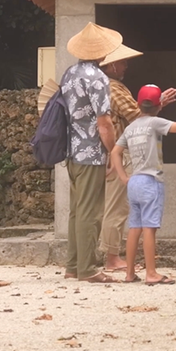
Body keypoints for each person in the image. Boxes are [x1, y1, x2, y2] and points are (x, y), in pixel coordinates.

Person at [98, 43, 176, 271]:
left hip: (118, 154)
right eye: (122, 62)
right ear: (112, 66)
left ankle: (119, 259)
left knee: (126, 212)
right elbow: (137, 116)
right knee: (117, 208)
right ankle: (112, 257)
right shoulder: (113, 88)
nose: (125, 66)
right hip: (122, 155)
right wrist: (158, 103)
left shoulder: (104, 86)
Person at [110, 84, 176, 286]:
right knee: (149, 228)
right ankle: (151, 273)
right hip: (151, 181)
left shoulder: (131, 127)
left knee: (134, 227)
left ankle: (130, 273)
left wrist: (123, 177)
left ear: (138, 104)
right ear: (159, 106)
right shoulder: (155, 123)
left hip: (134, 181)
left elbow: (115, 152)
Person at [61, 22, 124, 283]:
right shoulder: (98, 78)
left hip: (71, 150)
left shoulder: (70, 73)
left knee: (77, 210)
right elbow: (104, 123)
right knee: (91, 212)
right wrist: (113, 151)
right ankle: (87, 269)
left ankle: (73, 265)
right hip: (91, 152)